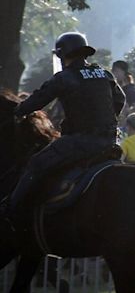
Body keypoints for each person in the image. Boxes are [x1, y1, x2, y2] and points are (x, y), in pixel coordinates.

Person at [0, 32, 125, 225]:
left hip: (79, 142)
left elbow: (37, 100)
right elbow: (120, 99)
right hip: (111, 141)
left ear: (61, 54)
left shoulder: (65, 77)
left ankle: (9, 211)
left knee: (35, 164)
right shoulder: (104, 73)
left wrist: (18, 111)